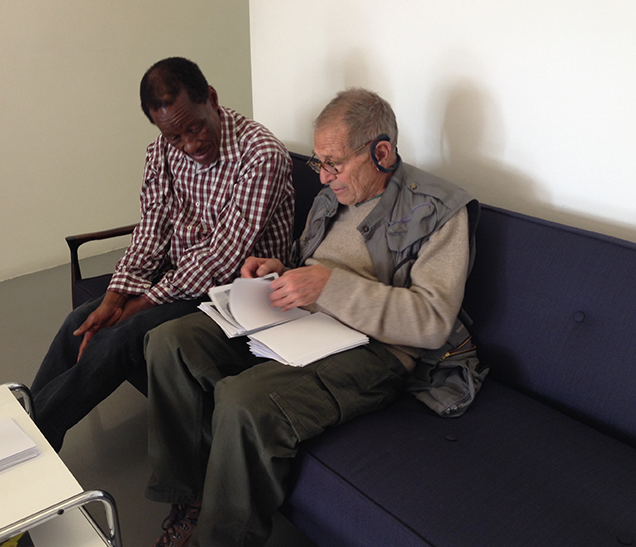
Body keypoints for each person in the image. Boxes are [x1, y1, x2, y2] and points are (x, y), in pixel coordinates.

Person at [142, 88, 480, 547]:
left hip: (378, 349)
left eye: (333, 164)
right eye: (318, 163)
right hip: (306, 321)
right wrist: (283, 272)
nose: (323, 178)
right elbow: (314, 264)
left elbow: (432, 320)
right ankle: (188, 496)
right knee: (171, 341)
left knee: (244, 400)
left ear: (381, 152)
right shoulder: (334, 195)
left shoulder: (440, 212)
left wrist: (327, 285)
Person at [30, 57, 295, 451]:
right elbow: (150, 232)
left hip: (238, 292)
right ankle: (27, 423)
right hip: (183, 278)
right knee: (80, 322)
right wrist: (115, 296)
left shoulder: (261, 155)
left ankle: (31, 443)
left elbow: (221, 260)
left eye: (195, 127)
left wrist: (136, 306)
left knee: (119, 336)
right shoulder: (161, 153)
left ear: (212, 99)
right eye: (174, 137)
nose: (189, 145)